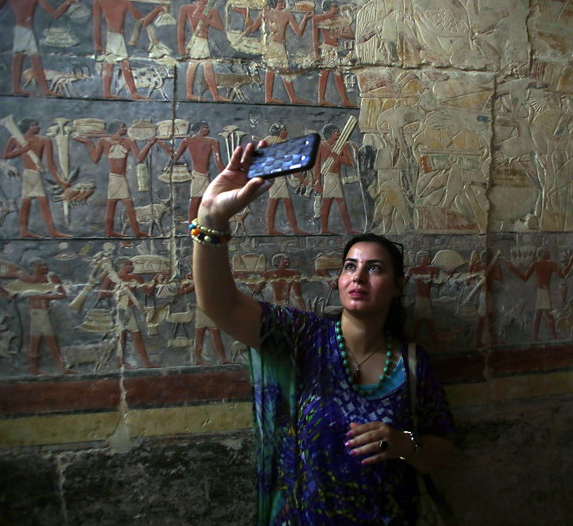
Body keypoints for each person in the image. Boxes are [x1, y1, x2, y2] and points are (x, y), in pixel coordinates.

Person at [192, 141, 455, 525]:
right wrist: (211, 216)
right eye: (350, 266)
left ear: (398, 286)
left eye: (375, 268)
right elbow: (220, 305)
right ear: (339, 280)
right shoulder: (303, 337)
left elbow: (442, 451)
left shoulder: (412, 363)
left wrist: (404, 443)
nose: (358, 277)